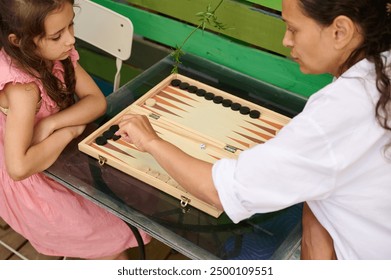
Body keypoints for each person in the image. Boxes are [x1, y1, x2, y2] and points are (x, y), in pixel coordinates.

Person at [115, 0, 391, 260]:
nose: (286, 40)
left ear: (340, 31)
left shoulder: (335, 115)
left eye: (293, 28)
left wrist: (151, 141)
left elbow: (219, 191)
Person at [0, 0, 150, 259]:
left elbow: (96, 101)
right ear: (19, 41)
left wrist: (51, 123)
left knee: (135, 192)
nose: (71, 40)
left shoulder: (55, 54)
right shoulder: (24, 90)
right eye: (57, 35)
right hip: (35, 187)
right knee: (111, 233)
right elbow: (19, 168)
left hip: (62, 159)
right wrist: (69, 131)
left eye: (71, 25)